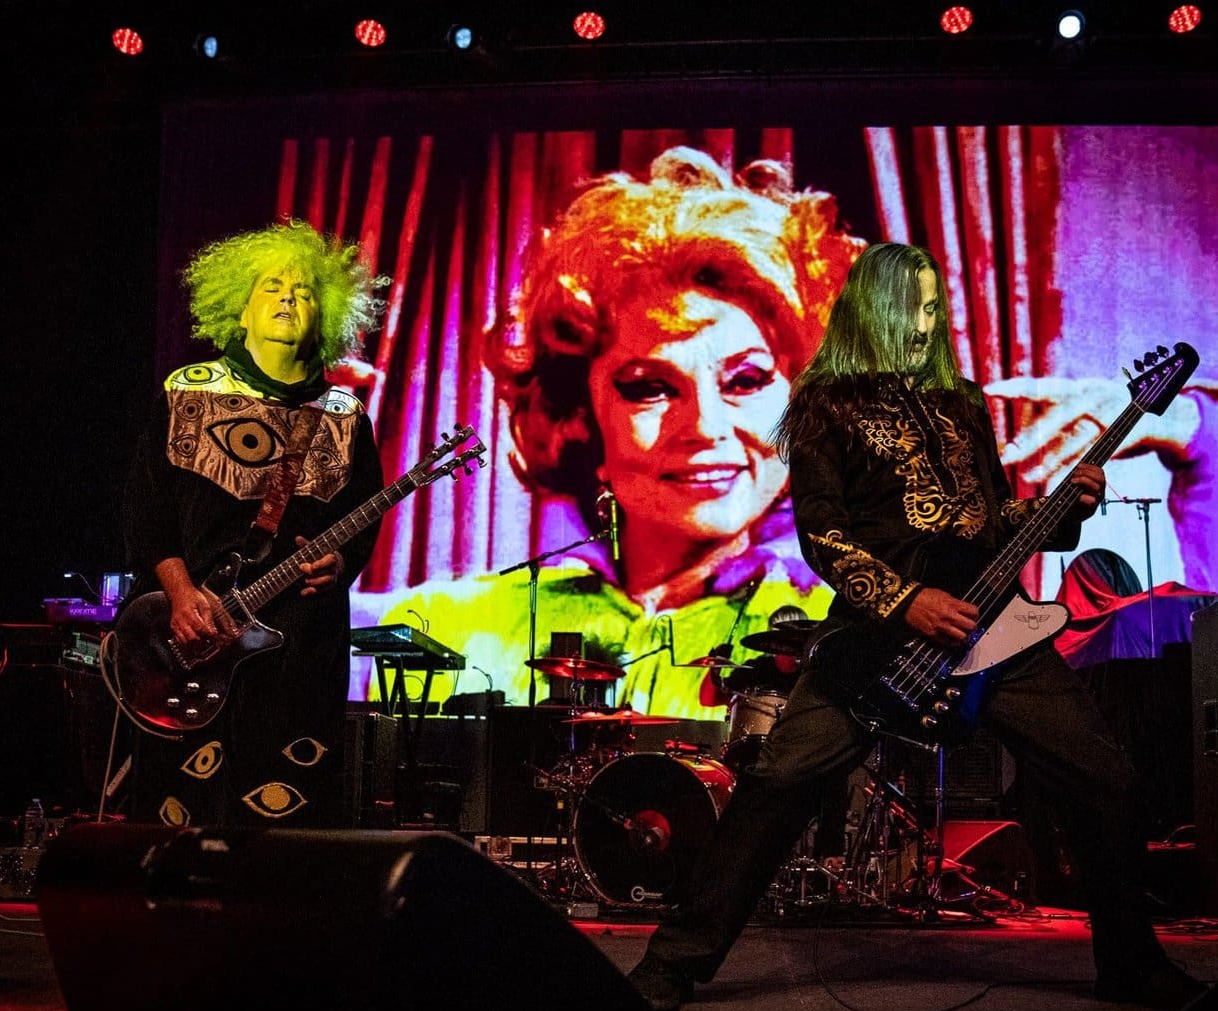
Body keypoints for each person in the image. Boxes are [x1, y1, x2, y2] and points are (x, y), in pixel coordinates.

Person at [625, 242, 1206, 1011]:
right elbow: (823, 536)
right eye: (916, 305)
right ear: (877, 306)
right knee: (777, 786)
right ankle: (673, 963)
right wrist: (906, 601)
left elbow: (994, 519)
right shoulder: (826, 403)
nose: (930, 320)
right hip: (876, 637)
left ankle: (1130, 962)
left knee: (1106, 776)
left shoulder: (962, 400)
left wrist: (1063, 507)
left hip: (991, 625)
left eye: (937, 306)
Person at [367, 147, 863, 719]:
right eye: (649, 387)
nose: (703, 426)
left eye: (746, 381)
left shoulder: (839, 626)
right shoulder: (452, 626)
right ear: (578, 416)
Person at [121, 219, 387, 827]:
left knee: (287, 816)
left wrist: (342, 562)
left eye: (304, 291)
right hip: (185, 636)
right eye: (272, 287)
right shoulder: (187, 391)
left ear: (328, 318)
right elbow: (146, 509)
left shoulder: (345, 416)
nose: (289, 299)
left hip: (298, 651)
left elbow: (361, 521)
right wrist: (181, 593)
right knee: (178, 817)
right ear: (239, 311)